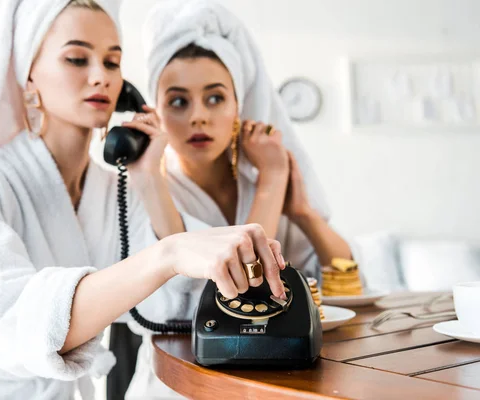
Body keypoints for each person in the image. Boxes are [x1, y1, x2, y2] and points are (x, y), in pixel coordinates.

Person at [0, 1, 286, 399]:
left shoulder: (115, 188)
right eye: (77, 59)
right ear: (27, 73)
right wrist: (167, 254)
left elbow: (173, 310)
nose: (100, 76)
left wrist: (151, 180)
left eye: (113, 63)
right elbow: (11, 321)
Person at [124, 1, 354, 398]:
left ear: (239, 106)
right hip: (178, 385)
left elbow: (346, 279)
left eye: (215, 98)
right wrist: (271, 181)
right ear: (155, 111)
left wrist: (301, 212)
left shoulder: (258, 179)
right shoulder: (144, 188)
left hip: (281, 379)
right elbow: (200, 297)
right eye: (178, 101)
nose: (198, 116)